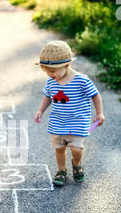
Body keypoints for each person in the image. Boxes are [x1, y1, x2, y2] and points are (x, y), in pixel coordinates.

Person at [34, 40, 105, 186]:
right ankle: (61, 171)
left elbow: (95, 95)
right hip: (58, 121)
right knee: (59, 148)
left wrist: (99, 113)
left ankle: (76, 163)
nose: (49, 74)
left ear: (66, 65)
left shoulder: (81, 80)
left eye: (52, 71)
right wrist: (40, 110)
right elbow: (48, 96)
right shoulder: (51, 81)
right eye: (46, 70)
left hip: (78, 121)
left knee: (76, 149)